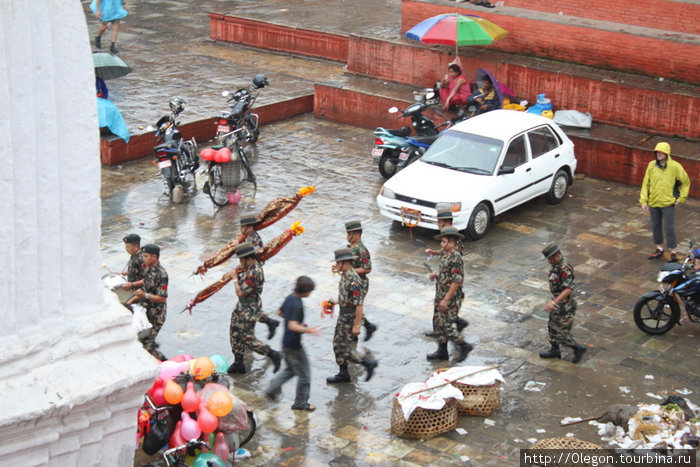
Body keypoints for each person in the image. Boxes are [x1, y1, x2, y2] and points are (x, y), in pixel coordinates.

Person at [265, 276, 320, 411]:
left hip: (286, 343)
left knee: (291, 370)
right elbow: (292, 325)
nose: (310, 293)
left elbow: (280, 312)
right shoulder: (297, 304)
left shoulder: (290, 297)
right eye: (310, 291)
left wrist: (297, 323)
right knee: (304, 374)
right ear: (305, 291)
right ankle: (300, 403)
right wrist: (307, 329)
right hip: (294, 345)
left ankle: (272, 388)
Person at [227, 242, 282, 374]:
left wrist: (235, 279)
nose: (240, 262)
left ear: (248, 258)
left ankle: (273, 354)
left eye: (241, 259)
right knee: (234, 332)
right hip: (242, 307)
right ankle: (238, 362)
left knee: (247, 338)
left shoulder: (255, 272)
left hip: (249, 309)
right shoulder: (249, 268)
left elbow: (240, 292)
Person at [326, 248, 379, 384]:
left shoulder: (353, 280)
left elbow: (359, 305)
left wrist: (357, 325)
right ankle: (343, 373)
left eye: (338, 263)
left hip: (349, 318)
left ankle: (367, 362)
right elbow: (345, 297)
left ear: (345, 263)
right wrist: (334, 302)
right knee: (338, 345)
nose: (336, 265)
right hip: (342, 315)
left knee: (342, 347)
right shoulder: (345, 275)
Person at [427, 226, 472, 362]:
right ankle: (442, 351)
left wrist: (446, 300)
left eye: (444, 241)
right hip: (440, 293)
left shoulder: (456, 258)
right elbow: (447, 273)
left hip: (450, 298)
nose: (441, 244)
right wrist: (437, 275)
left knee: (446, 326)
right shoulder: (445, 254)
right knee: (437, 323)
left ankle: (464, 345)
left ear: (452, 243)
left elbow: (457, 281)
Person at [639, 142, 691, 262]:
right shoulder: (651, 165)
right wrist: (644, 201)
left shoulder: (675, 166)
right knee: (655, 226)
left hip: (668, 203)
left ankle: (673, 251)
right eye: (657, 152)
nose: (659, 154)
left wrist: (681, 198)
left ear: (667, 153)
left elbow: (685, 182)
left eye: (662, 152)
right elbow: (645, 184)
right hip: (654, 202)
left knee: (669, 228)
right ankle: (659, 248)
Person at [539, 244, 587, 364]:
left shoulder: (564, 268)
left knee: (560, 332)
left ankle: (577, 349)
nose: (549, 261)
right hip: (558, 304)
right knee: (552, 327)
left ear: (557, 255)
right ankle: (555, 350)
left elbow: (568, 289)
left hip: (566, 305)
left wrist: (554, 302)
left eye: (551, 258)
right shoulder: (556, 265)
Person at [424, 208, 468, 336]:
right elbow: (444, 252)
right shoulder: (447, 239)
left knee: (446, 316)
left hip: (451, 287)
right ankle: (442, 332)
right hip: (444, 284)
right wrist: (433, 252)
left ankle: (459, 339)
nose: (438, 225)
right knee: (441, 314)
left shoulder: (455, 243)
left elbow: (456, 270)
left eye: (439, 222)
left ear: (445, 222)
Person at [239, 212, 280, 339]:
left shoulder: (254, 240)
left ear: (250, 227)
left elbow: (251, 255)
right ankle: (268, 322)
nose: (241, 229)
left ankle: (250, 335)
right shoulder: (246, 237)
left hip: (254, 274)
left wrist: (237, 246)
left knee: (251, 303)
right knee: (252, 305)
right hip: (248, 271)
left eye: (243, 227)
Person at [338, 220, 377, 341]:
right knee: (350, 308)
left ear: (358, 235)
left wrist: (350, 270)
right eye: (347, 234)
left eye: (351, 234)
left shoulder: (362, 250)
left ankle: (356, 331)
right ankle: (367, 326)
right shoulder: (349, 247)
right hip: (348, 283)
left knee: (354, 308)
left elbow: (367, 268)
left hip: (358, 284)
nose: (348, 237)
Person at [129, 243, 168, 361]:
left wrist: (144, 295)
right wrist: (130, 301)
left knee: (148, 346)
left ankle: (166, 363)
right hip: (145, 311)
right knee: (142, 340)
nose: (143, 258)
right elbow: (145, 284)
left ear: (154, 257)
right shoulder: (148, 268)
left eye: (146, 256)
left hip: (156, 315)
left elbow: (162, 298)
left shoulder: (162, 274)